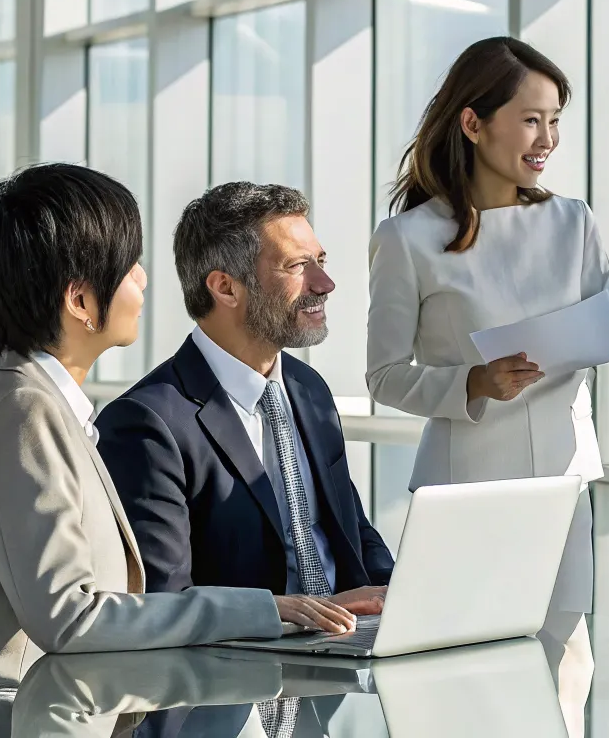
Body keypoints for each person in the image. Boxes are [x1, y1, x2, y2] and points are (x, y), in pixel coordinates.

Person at [0, 164, 352, 738]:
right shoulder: (23, 412)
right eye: (129, 265)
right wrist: (267, 610)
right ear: (81, 300)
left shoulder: (27, 401)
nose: (145, 280)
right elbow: (71, 616)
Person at [366, 37, 608, 657]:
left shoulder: (574, 221)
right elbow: (384, 376)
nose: (547, 139)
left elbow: (596, 338)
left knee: (558, 665)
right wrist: (471, 383)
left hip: (561, 487)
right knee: (459, 673)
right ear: (473, 123)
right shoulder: (409, 238)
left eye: (554, 120)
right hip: (464, 492)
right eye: (530, 120)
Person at [95, 183, 395, 613]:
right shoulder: (146, 422)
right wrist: (296, 614)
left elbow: (353, 533)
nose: (325, 283)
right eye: (297, 266)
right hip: (243, 668)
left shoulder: (309, 390)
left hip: (347, 649)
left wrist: (399, 595)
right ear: (226, 288)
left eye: (321, 261)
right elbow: (164, 600)